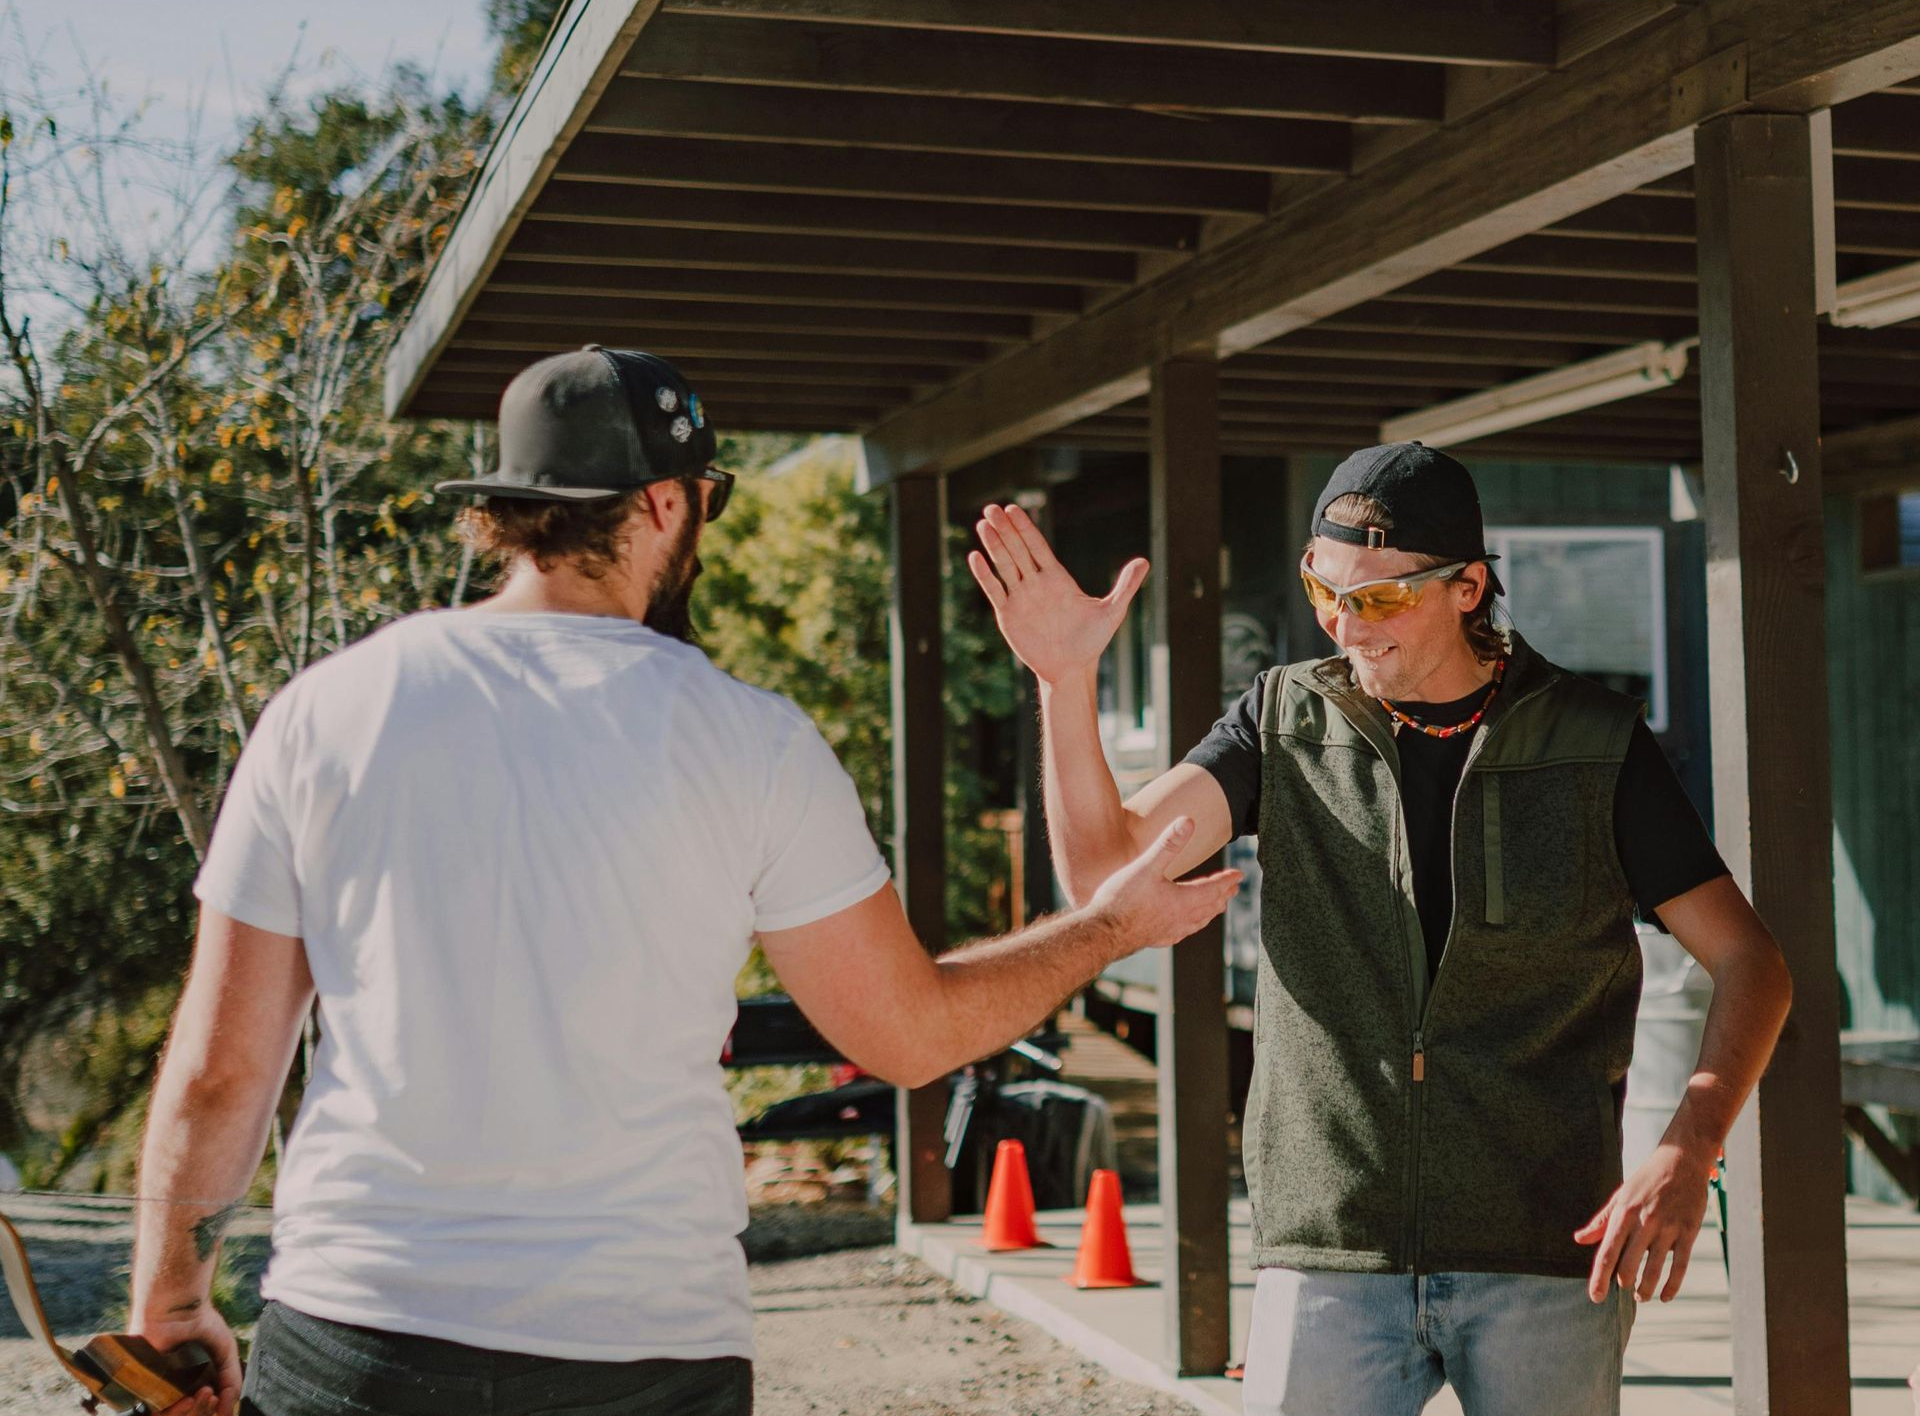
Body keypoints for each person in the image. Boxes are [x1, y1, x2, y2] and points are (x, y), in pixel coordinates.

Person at [124, 346, 1242, 1416]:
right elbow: (910, 1035)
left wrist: (169, 1302)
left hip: (358, 1334)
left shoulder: (328, 710)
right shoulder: (748, 742)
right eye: (709, 493)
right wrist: (1103, 930)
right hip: (642, 1351)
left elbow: (223, 1072)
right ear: (663, 505)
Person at [966, 442, 1795, 1416]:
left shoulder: (1592, 740)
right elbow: (1107, 868)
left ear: (1468, 587)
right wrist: (1066, 687)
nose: (1344, 621)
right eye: (1326, 590)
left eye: (1381, 598)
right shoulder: (1279, 724)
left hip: (1544, 1241)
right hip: (1328, 1250)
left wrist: (1690, 1146)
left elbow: (1752, 963)